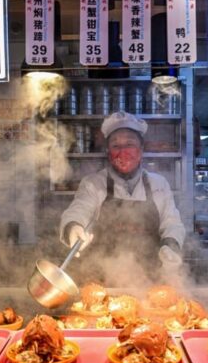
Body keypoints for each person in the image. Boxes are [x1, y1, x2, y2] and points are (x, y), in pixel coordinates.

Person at [59, 111, 186, 282]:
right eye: (116, 146)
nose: (123, 152)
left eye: (129, 144)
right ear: (108, 151)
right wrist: (73, 227)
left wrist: (171, 245)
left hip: (150, 281)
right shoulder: (93, 183)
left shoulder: (159, 184)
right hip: (103, 280)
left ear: (141, 150)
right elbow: (78, 210)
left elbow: (172, 223)